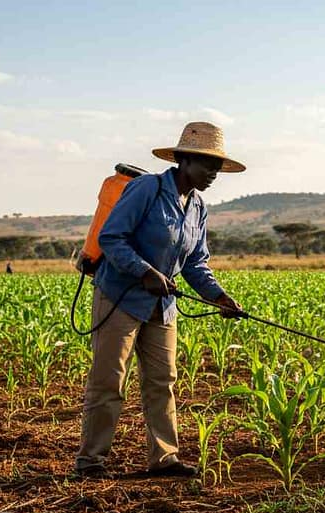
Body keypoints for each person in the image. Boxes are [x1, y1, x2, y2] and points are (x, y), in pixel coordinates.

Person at [75, 121, 244, 478]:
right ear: (183, 160)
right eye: (206, 165)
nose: (213, 173)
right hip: (120, 296)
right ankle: (90, 462)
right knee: (109, 381)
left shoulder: (197, 207)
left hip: (161, 306)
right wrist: (144, 272)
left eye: (217, 167)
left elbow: (196, 263)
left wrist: (219, 296)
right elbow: (111, 238)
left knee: (163, 380)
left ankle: (163, 459)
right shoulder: (145, 189)